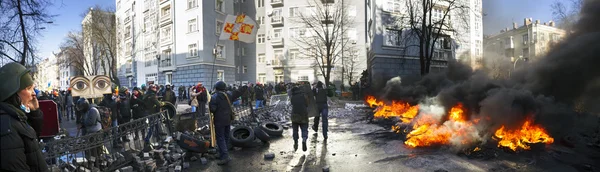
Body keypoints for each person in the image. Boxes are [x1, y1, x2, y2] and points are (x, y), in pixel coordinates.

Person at [0, 62, 48, 172]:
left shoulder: (14, 116)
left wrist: (35, 112)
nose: (34, 93)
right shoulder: (7, 127)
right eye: (29, 88)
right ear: (12, 91)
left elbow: (31, 142)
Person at [209, 81, 245, 165]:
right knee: (225, 136)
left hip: (219, 120)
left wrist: (210, 103)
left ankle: (225, 156)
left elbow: (212, 110)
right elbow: (237, 93)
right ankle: (222, 153)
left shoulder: (214, 97)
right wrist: (244, 87)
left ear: (216, 88)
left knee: (220, 138)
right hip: (228, 119)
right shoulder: (228, 94)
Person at [290, 86, 309, 151]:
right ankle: (304, 140)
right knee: (304, 129)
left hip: (295, 115)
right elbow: (307, 104)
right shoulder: (304, 95)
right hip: (303, 114)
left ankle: (295, 142)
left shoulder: (292, 97)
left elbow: (292, 103)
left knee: (295, 130)